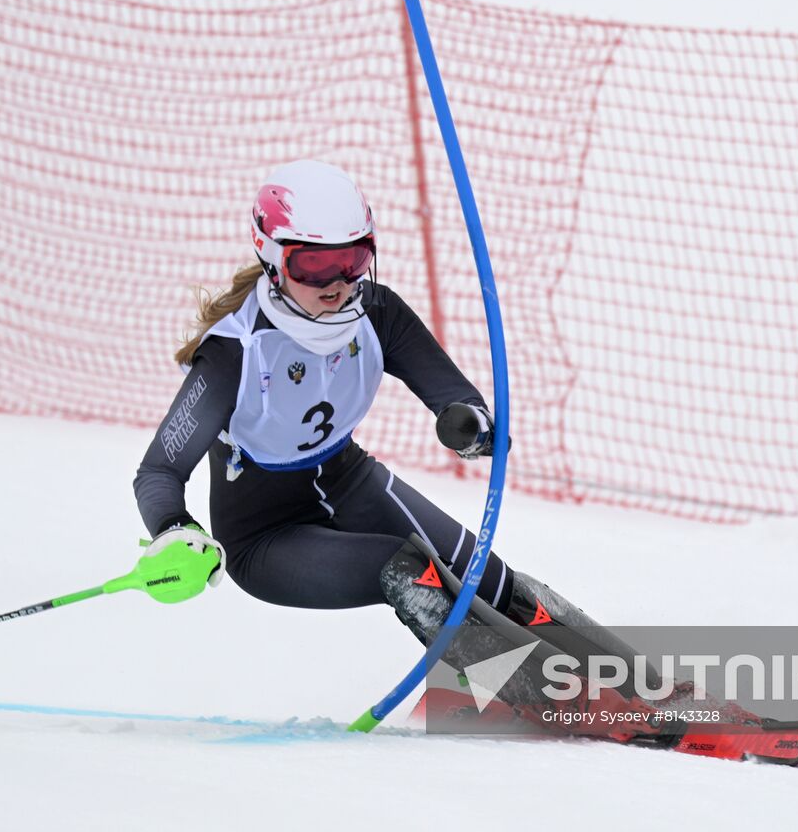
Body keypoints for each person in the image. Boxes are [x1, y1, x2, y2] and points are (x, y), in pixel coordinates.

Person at [131, 160, 646, 708]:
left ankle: (640, 683)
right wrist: (174, 528)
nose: (336, 283)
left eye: (352, 260)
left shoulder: (378, 315)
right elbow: (159, 470)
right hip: (266, 537)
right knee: (409, 570)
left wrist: (471, 428)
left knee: (490, 579)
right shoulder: (236, 351)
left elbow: (462, 402)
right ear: (273, 258)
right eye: (313, 265)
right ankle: (558, 701)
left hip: (350, 480)